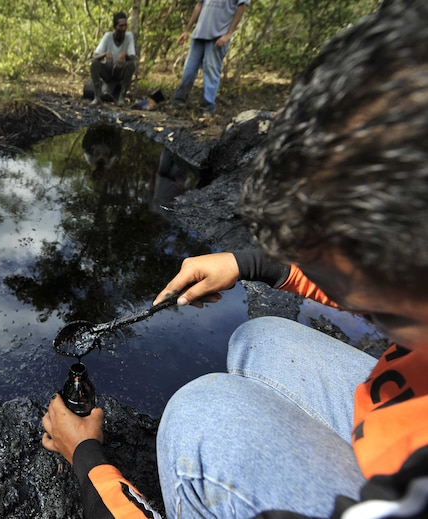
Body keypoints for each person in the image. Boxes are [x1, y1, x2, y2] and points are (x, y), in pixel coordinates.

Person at [42, 1, 428, 517]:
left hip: (400, 471)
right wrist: (256, 266)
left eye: (383, 315)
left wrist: (89, 461)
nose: (359, 309)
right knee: (257, 338)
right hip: (403, 414)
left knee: (196, 417)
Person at [172, 0, 248, 117]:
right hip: (199, 33)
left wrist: (228, 34)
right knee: (189, 70)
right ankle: (179, 102)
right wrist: (187, 30)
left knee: (211, 71)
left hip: (218, 35)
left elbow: (242, 7)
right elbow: (199, 4)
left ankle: (207, 108)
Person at [90, 12, 136, 106]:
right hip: (108, 70)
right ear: (115, 27)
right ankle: (97, 97)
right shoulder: (108, 36)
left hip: (119, 71)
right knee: (94, 64)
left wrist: (125, 55)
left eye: (125, 25)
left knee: (131, 65)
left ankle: (121, 97)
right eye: (121, 26)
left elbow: (132, 57)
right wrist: (105, 54)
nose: (123, 28)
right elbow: (94, 57)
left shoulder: (129, 36)